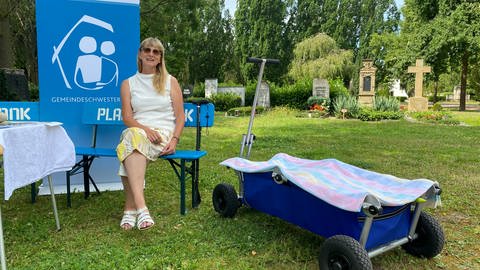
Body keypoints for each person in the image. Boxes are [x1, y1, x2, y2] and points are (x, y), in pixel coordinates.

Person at [116, 37, 185, 230]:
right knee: (131, 138)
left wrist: (174, 140)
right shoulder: (128, 84)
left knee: (128, 144)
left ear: (161, 57)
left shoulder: (171, 82)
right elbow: (127, 117)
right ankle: (141, 209)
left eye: (156, 52)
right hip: (140, 131)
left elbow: (180, 117)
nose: (151, 54)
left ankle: (130, 209)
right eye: (147, 50)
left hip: (162, 135)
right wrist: (146, 130)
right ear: (140, 53)